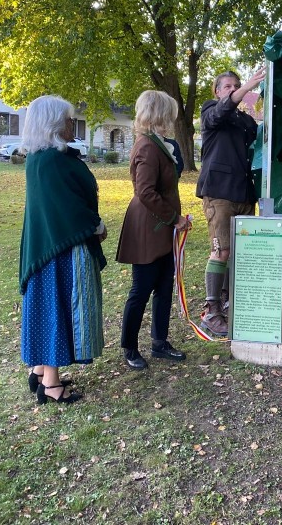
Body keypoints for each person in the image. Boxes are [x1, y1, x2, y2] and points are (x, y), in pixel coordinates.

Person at [19, 95, 108, 405]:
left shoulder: (40, 158)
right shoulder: (52, 161)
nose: (72, 124)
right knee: (58, 309)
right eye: (68, 119)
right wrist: (96, 226)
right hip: (61, 249)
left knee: (48, 308)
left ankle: (40, 371)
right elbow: (68, 208)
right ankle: (51, 385)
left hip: (47, 246)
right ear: (54, 123)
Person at [117, 90, 191, 370]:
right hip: (149, 227)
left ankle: (159, 342)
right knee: (141, 289)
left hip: (161, 226)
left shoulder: (158, 143)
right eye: (169, 114)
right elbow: (145, 191)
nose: (171, 119)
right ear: (159, 114)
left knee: (163, 285)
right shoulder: (147, 146)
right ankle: (130, 347)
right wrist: (174, 218)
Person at [195, 67, 265, 337]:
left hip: (244, 194)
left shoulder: (243, 120)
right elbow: (221, 112)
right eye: (228, 86)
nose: (234, 89)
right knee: (221, 251)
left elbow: (260, 136)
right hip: (219, 193)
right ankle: (211, 311)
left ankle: (227, 301)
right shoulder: (210, 109)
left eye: (237, 85)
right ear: (217, 91)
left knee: (238, 253)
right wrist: (246, 88)